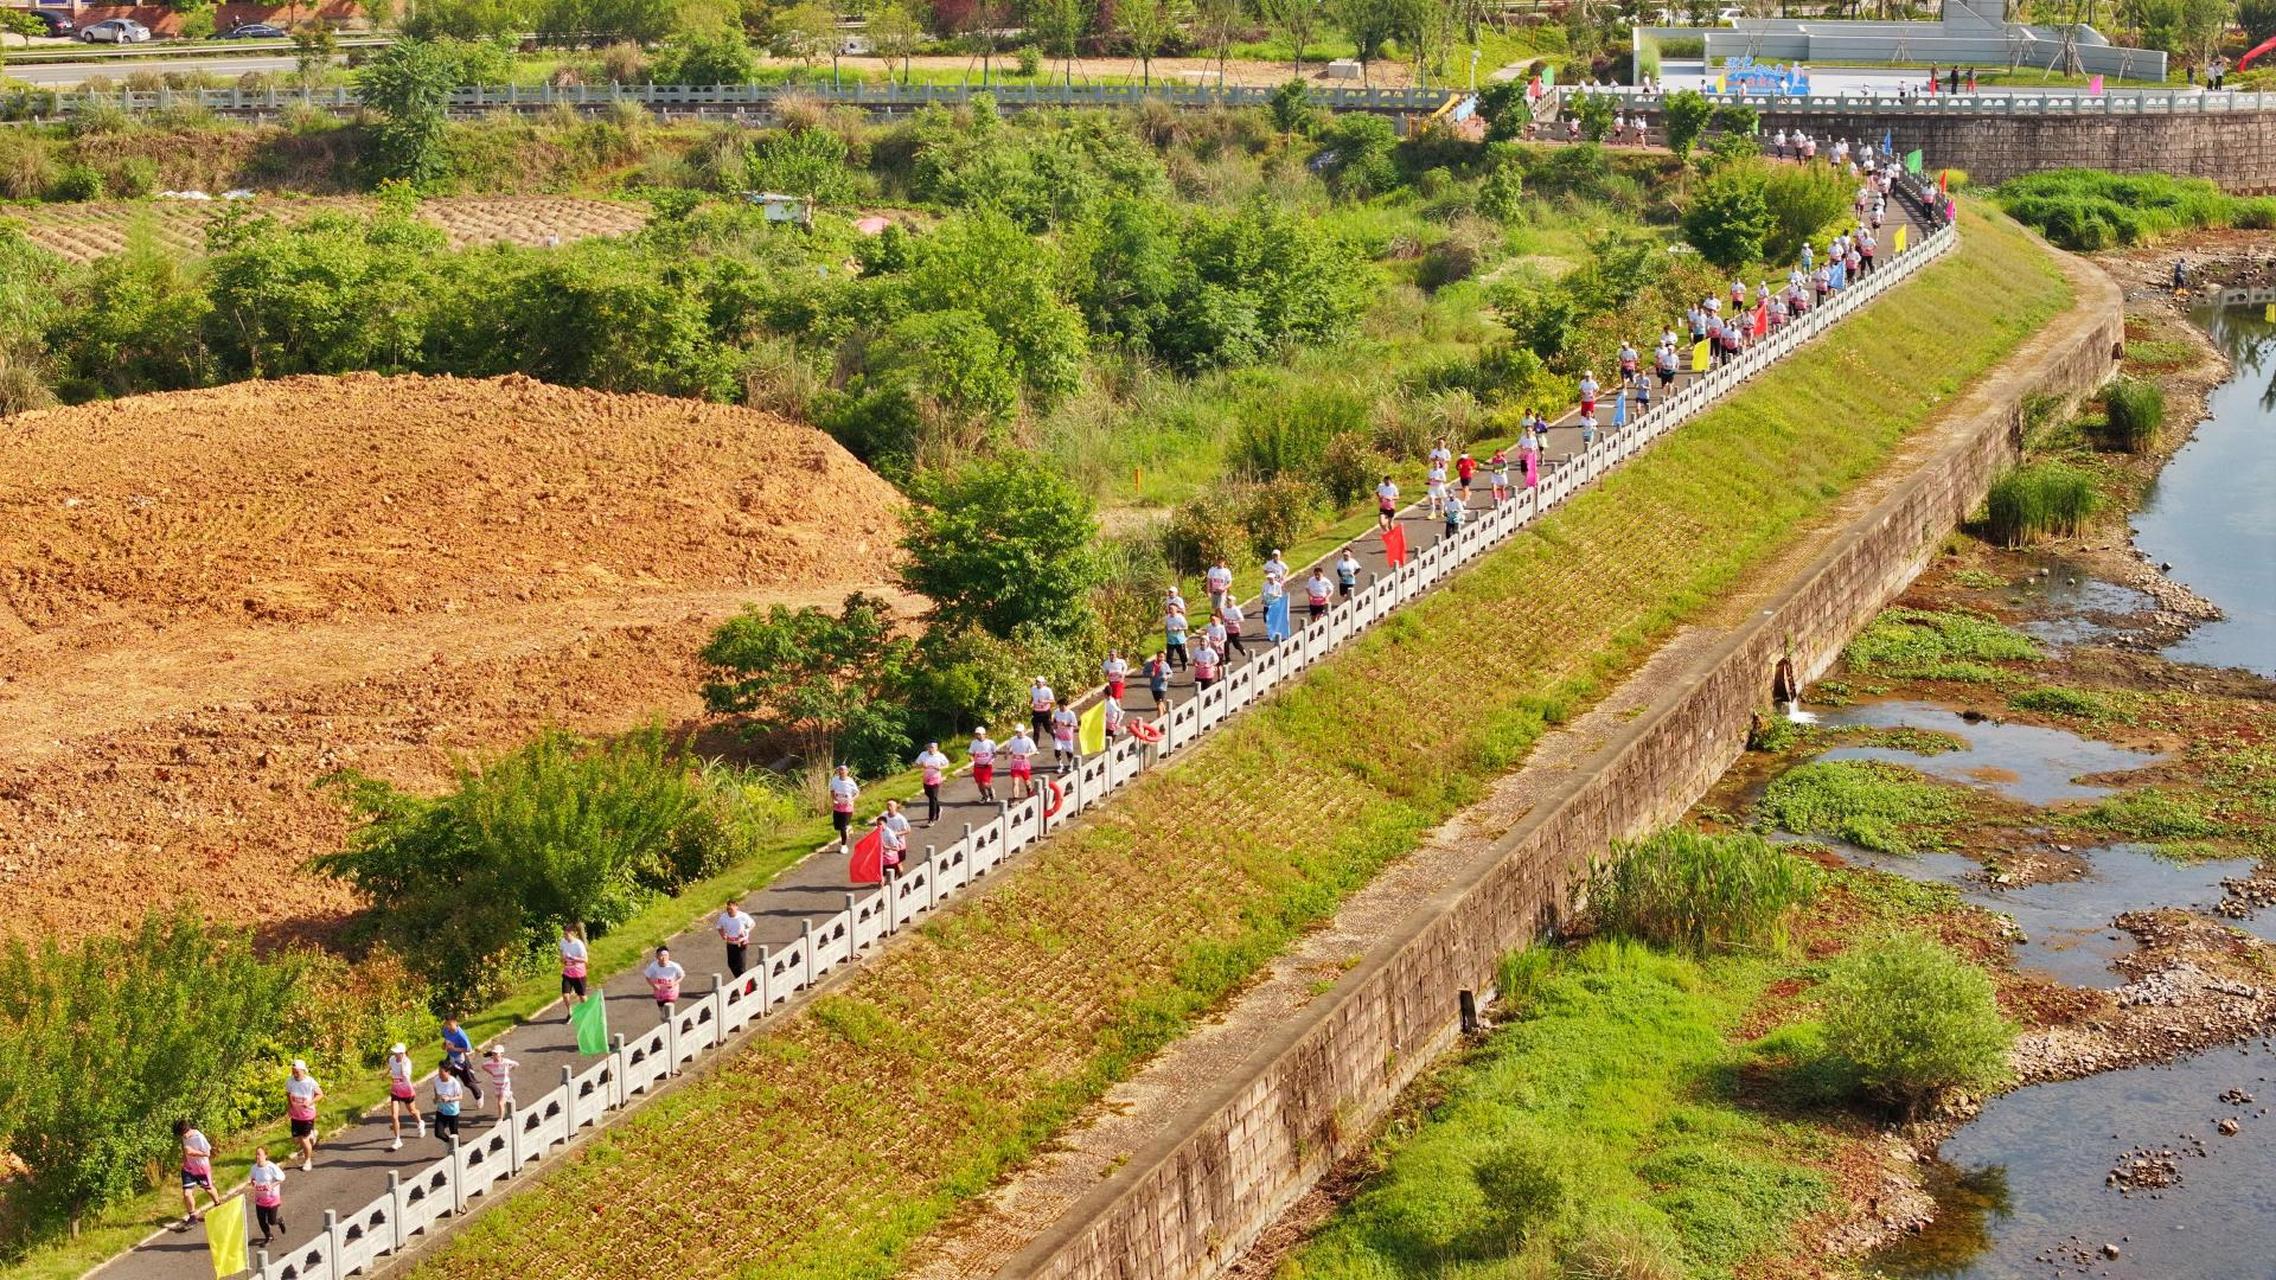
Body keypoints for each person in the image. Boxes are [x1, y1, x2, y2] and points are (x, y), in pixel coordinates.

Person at [173, 1119, 220, 1230]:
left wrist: (192, 1152)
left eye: (183, 1134)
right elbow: (185, 1149)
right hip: (188, 1169)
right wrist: (184, 1160)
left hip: (201, 1168)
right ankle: (192, 1217)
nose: (183, 1137)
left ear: (187, 1130)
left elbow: (207, 1153)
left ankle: (218, 1205)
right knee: (186, 1193)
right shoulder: (184, 1137)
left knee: (208, 1189)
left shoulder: (199, 1137)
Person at [284, 1059, 323, 1171]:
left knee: (303, 1139)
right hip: (295, 1115)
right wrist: (289, 1107)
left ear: (303, 1070)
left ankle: (307, 1161)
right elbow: (288, 1094)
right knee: (296, 1139)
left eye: (297, 1071)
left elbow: (320, 1094)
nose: (294, 1073)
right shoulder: (289, 1081)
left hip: (307, 1115)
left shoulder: (310, 1082)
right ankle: (312, 1134)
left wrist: (310, 1102)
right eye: (293, 1071)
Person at [386, 1041, 423, 1150]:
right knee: (394, 1116)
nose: (395, 1054)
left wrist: (402, 1063)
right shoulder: (392, 1059)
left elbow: (405, 1076)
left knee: (412, 1111)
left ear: (402, 1053)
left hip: (406, 1090)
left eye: (397, 1053)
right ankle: (397, 1140)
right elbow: (391, 1067)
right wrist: (386, 1074)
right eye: (394, 1052)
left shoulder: (407, 1063)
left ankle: (420, 1122)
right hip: (396, 1090)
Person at [249, 1148, 286, 1247]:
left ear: (265, 1156)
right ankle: (269, 1236)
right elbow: (252, 1179)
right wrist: (253, 1182)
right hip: (260, 1199)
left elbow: (282, 1178)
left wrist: (272, 1185)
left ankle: (280, 1221)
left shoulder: (271, 1167)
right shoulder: (254, 1168)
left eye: (260, 1154)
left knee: (271, 1221)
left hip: (272, 1199)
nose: (257, 1157)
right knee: (261, 1220)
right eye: (256, 1154)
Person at [441, 1017, 483, 1103]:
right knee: (449, 1079)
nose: (448, 1026)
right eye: (446, 1024)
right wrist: (445, 1045)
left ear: (455, 1022)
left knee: (467, 1082)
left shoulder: (461, 1035)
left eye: (450, 1024)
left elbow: (468, 1049)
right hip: (450, 1058)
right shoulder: (446, 1030)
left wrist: (454, 1048)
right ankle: (451, 1100)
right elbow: (446, 1040)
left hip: (460, 1060)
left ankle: (479, 1095)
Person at [913, 741, 949, 825]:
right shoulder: (923, 754)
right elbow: (916, 764)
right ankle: (939, 809)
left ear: (936, 748)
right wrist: (922, 765)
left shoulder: (940, 755)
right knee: (928, 794)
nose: (930, 749)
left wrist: (939, 767)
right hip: (926, 778)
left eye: (932, 747)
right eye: (929, 747)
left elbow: (947, 764)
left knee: (932, 799)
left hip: (936, 779)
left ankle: (931, 819)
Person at [716, 897, 755, 977]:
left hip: (741, 942)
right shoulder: (723, 917)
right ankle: (740, 982)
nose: (729, 911)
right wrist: (723, 935)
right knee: (731, 964)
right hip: (730, 942)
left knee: (741, 966)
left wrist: (747, 931)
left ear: (736, 907)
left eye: (731, 909)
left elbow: (752, 924)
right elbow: (719, 927)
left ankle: (749, 986)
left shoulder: (743, 916)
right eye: (728, 909)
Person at [557, 924, 588, 1021]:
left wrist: (574, 959)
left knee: (582, 996)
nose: (565, 936)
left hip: (579, 973)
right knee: (565, 994)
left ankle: (587, 1011)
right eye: (564, 934)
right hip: (567, 973)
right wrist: (563, 959)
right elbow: (561, 953)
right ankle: (570, 1013)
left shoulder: (579, 944)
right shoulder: (563, 942)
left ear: (572, 933)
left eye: (566, 934)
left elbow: (585, 960)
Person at [643, 945, 685, 1016]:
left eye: (666, 955)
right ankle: (667, 1021)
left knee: (668, 1009)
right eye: (661, 955)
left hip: (671, 991)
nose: (664, 958)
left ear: (669, 956)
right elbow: (647, 977)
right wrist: (653, 985)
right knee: (662, 1011)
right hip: (659, 992)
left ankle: (675, 1023)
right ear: (657, 957)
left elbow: (682, 975)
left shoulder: (674, 966)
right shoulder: (653, 966)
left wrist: (674, 983)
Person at [481, 1045, 519, 1120]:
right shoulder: (490, 1063)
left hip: (505, 1085)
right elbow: (483, 1066)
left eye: (497, 1054)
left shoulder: (506, 1062)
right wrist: (491, 1072)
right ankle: (509, 1094)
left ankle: (500, 1119)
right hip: (496, 1085)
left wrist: (509, 1069)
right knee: (500, 1101)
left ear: (501, 1054)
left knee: (500, 1103)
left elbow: (516, 1064)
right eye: (494, 1053)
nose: (495, 1055)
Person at [432, 1067, 465, 1145]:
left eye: (441, 1072)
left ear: (448, 1072)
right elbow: (436, 1094)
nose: (439, 1074)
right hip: (441, 1110)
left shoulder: (454, 1083)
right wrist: (435, 1099)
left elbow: (460, 1097)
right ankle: (450, 1144)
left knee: (454, 1133)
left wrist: (449, 1099)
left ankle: (458, 1150)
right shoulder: (436, 1080)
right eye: (439, 1072)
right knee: (438, 1133)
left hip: (452, 1112)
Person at [828, 765, 859, 847]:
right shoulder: (834, 780)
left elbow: (857, 793)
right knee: (837, 827)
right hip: (837, 806)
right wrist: (834, 799)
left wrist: (851, 800)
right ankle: (847, 827)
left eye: (843, 770)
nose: (841, 772)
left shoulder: (850, 781)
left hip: (847, 807)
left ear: (847, 772)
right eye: (840, 770)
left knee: (842, 828)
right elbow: (832, 791)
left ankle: (844, 845)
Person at [1006, 725, 1038, 798]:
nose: (1018, 733)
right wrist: (1007, 753)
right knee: (1015, 782)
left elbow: (1035, 751)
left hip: (1024, 764)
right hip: (1015, 764)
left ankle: (1030, 792)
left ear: (1024, 731)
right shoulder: (1013, 739)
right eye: (1017, 732)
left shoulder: (1028, 740)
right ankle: (1015, 798)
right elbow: (1008, 747)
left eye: (1020, 732)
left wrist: (1027, 755)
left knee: (1027, 782)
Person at [968, 727, 998, 803]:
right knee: (979, 784)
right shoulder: (974, 743)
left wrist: (991, 761)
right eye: (977, 734)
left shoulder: (990, 742)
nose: (978, 736)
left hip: (987, 766)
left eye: (979, 734)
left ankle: (990, 788)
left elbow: (995, 754)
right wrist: (970, 758)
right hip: (977, 766)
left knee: (985, 783)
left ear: (984, 734)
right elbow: (971, 753)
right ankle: (985, 796)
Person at [1028, 676, 1056, 743]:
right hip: (1036, 712)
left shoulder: (1047, 690)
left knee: (1048, 729)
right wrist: (1031, 703)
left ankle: (1056, 739)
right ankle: (1035, 747)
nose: (1038, 684)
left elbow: (1052, 701)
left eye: (1040, 682)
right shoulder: (1033, 689)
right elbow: (1033, 697)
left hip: (1045, 712)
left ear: (1043, 683)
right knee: (1036, 731)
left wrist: (1043, 701)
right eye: (1037, 682)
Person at [1164, 602, 1190, 670]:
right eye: (1169, 609)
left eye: (1172, 609)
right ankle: (1168, 669)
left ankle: (1184, 663)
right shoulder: (1167, 618)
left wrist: (1178, 629)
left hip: (1179, 639)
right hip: (1170, 639)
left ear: (1176, 609)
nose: (1170, 610)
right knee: (1169, 656)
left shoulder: (1180, 618)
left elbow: (1186, 627)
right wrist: (1166, 634)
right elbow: (1166, 626)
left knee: (1182, 654)